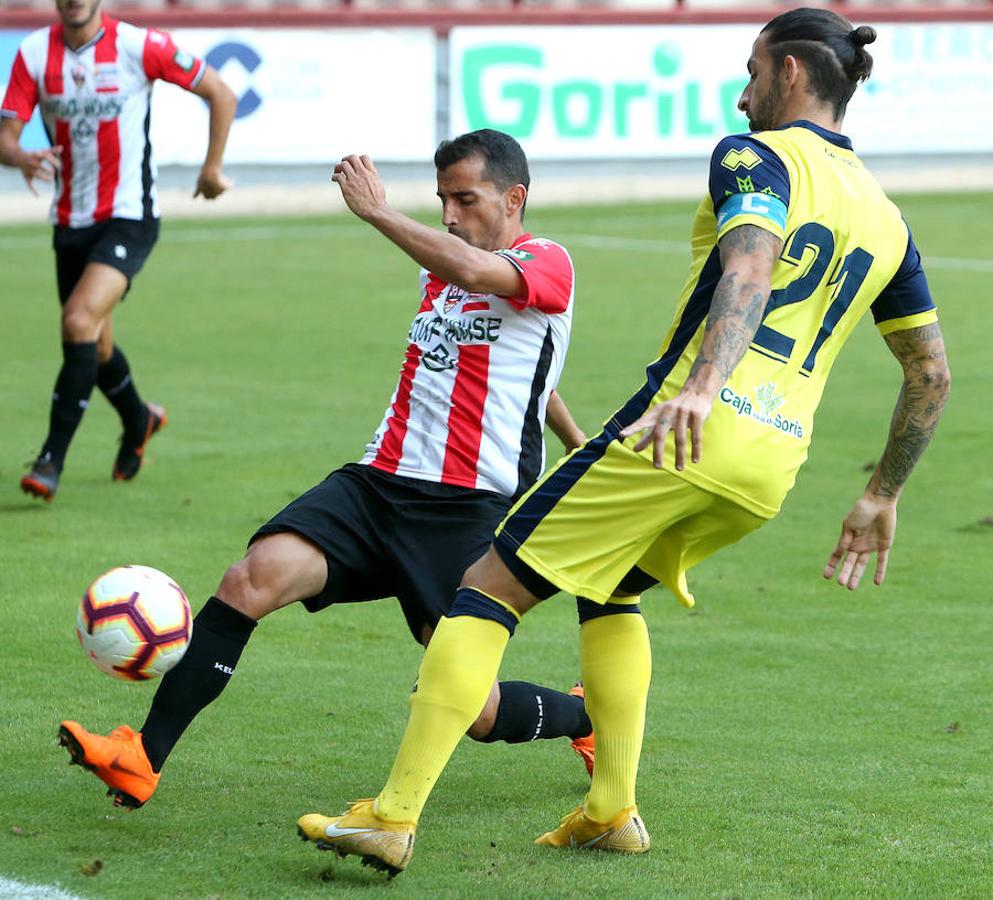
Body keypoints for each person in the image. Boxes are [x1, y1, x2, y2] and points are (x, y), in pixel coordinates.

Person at [298, 8, 952, 877]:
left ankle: (391, 815)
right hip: (770, 468)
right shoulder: (886, 217)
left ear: (791, 73)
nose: (740, 89)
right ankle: (611, 809)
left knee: (485, 585)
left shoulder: (753, 155)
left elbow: (750, 266)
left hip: (685, 429)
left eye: (752, 69)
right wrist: (883, 492)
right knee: (607, 591)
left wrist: (702, 388)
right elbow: (931, 373)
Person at [58, 128, 597, 810]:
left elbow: (479, 279)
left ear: (514, 197)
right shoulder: (440, 270)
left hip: (460, 509)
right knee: (248, 580)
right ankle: (141, 757)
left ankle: (588, 719)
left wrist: (376, 212)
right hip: (375, 484)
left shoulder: (546, 260)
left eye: (464, 199)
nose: (448, 215)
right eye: (441, 200)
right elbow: (526, 370)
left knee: (475, 709)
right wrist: (575, 435)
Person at [1, 0, 236, 501]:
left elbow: (220, 90)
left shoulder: (137, 46)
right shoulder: (33, 53)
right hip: (69, 221)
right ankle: (139, 418)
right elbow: (6, 138)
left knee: (77, 323)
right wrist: (20, 154)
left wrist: (211, 168)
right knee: (96, 346)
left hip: (129, 215)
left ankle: (50, 460)